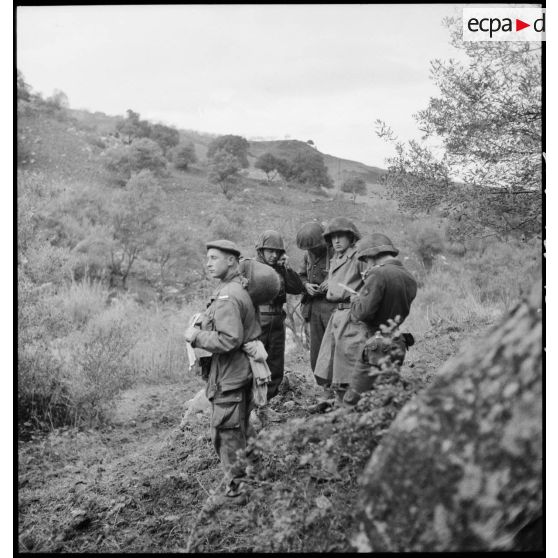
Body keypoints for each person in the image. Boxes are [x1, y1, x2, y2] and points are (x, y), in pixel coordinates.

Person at [184, 239, 261, 504]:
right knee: (239, 427)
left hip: (230, 375)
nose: (208, 263)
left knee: (226, 433)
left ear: (232, 261)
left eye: (215, 257)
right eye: (208, 258)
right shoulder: (233, 289)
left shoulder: (228, 296)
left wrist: (196, 336)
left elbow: (229, 340)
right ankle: (253, 472)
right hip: (237, 372)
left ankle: (237, 490)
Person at [343, 233, 417, 407]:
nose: (366, 264)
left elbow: (362, 313)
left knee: (352, 400)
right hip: (397, 340)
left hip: (377, 343)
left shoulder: (378, 275)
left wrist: (356, 300)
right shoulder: (408, 276)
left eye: (366, 260)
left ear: (371, 256)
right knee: (388, 396)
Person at [313, 217, 368, 403]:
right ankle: (338, 403)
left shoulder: (359, 257)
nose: (336, 241)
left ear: (351, 238)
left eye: (341, 237)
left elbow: (371, 284)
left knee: (349, 362)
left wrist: (360, 299)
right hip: (337, 313)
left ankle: (350, 407)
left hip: (352, 316)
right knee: (331, 361)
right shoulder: (337, 258)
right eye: (333, 237)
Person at [255, 230, 304, 401]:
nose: (274, 255)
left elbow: (297, 288)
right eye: (270, 251)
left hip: (277, 319)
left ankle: (271, 400)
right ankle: (253, 402)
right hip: (257, 319)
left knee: (275, 362)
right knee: (256, 360)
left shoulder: (281, 268)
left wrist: (286, 268)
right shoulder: (251, 268)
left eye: (277, 252)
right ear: (261, 251)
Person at [296, 221, 337, 372]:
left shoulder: (335, 252)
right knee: (316, 348)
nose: (312, 251)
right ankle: (323, 386)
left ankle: (337, 385)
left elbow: (349, 274)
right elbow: (300, 276)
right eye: (308, 248)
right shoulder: (307, 256)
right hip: (312, 306)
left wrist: (332, 281)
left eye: (314, 247)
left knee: (332, 346)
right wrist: (306, 285)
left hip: (332, 306)